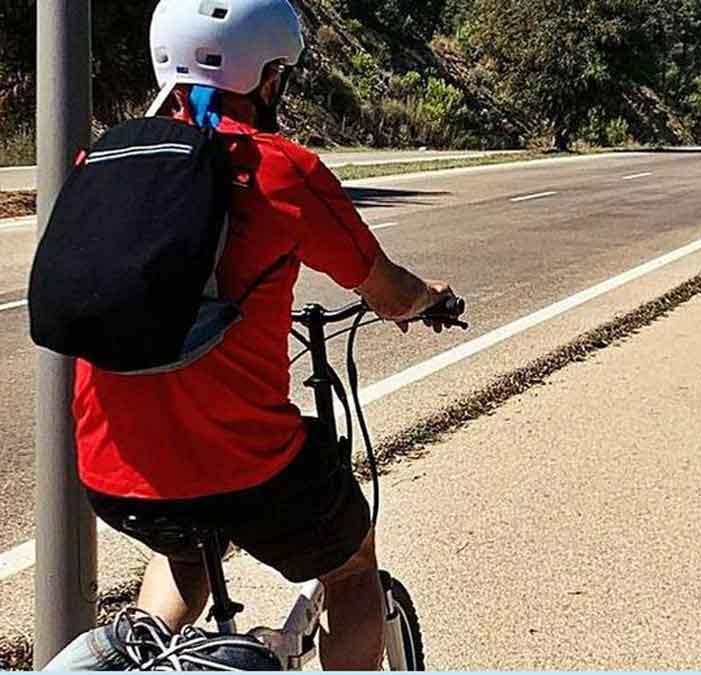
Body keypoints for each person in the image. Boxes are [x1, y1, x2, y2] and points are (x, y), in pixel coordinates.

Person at [46, 0, 454, 669]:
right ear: (266, 80)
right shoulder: (281, 169)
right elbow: (385, 288)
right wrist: (428, 301)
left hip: (114, 472)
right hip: (251, 472)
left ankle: (142, 652)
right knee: (353, 567)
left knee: (184, 547)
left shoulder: (105, 160)